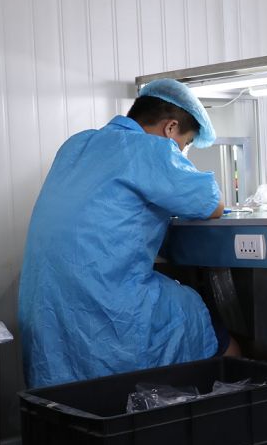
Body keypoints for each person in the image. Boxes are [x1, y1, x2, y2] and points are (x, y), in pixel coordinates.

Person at [19, 79, 238, 388]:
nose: (181, 153)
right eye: (185, 144)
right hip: (105, 302)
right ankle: (239, 398)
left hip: (45, 303)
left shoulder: (77, 144)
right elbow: (212, 203)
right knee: (201, 320)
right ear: (171, 128)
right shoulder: (151, 148)